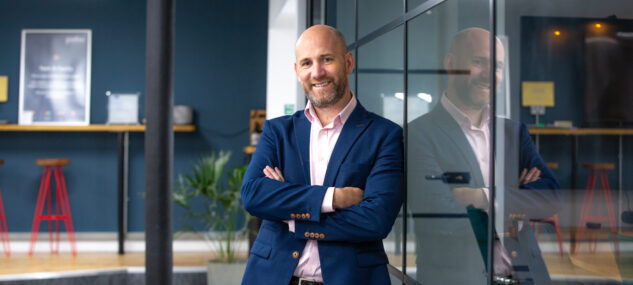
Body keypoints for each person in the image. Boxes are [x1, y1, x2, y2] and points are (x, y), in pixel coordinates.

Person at [240, 25, 404, 285]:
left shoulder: (384, 135)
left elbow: (375, 220)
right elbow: (253, 195)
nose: (317, 72)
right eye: (306, 63)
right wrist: (333, 197)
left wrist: (292, 215)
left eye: (326, 59)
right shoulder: (277, 131)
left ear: (348, 62)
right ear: (297, 71)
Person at [408, 27, 562, 284]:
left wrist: (481, 196)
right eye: (478, 62)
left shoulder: (513, 132)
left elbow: (552, 196)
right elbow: (440, 219)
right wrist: (515, 204)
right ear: (451, 63)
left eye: (498, 66)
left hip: (526, 276)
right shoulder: (418, 134)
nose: (489, 75)